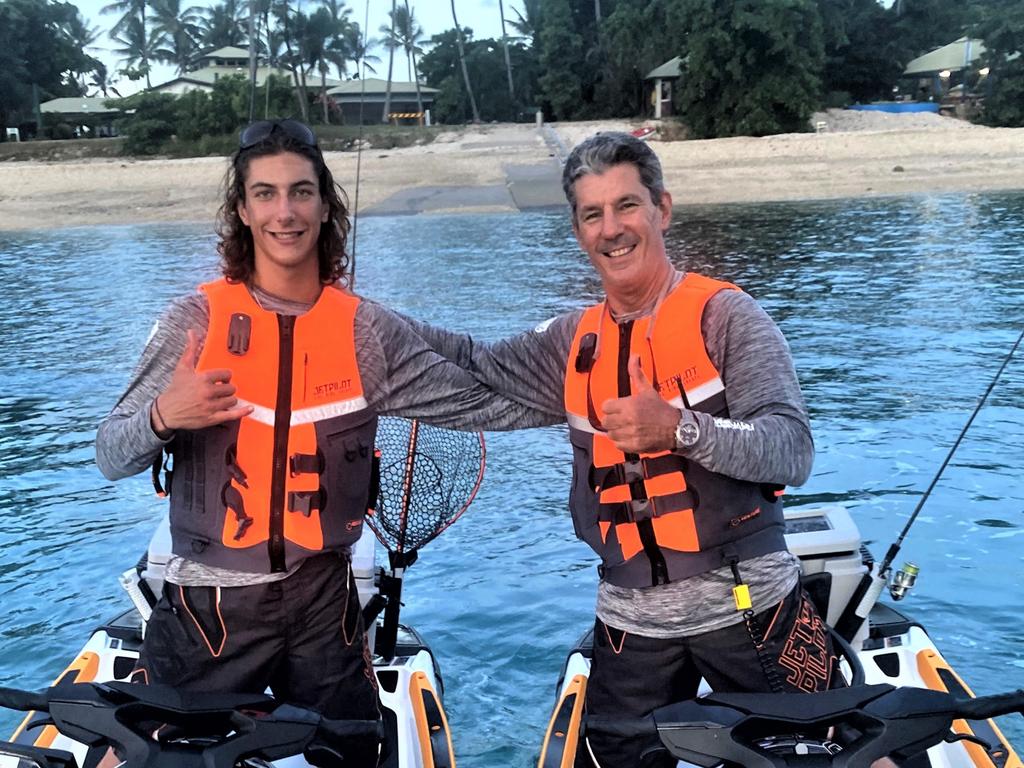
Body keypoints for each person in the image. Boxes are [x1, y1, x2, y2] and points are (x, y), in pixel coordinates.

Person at [95, 119, 552, 767]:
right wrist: (165, 414)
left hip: (322, 600)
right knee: (160, 755)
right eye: (266, 194)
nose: (286, 211)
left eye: (302, 192)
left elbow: (482, 386)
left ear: (325, 206)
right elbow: (113, 452)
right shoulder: (194, 322)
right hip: (208, 606)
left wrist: (597, 389)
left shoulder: (366, 331)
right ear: (242, 211)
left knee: (351, 753)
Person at [407, 131, 839, 767]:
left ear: (661, 209)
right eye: (592, 214)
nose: (612, 228)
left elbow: (790, 448)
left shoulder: (727, 317)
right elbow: (471, 362)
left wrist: (680, 430)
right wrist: (351, 323)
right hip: (629, 618)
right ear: (579, 230)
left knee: (828, 749)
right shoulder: (567, 342)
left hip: (754, 605)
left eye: (626, 206)